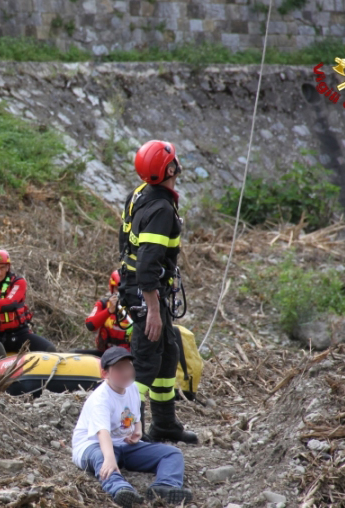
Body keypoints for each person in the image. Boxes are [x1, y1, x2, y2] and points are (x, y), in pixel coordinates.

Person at [118, 140, 197, 444]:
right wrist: (152, 308)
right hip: (145, 290)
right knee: (147, 359)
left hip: (143, 287)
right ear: (170, 170)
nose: (178, 162)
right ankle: (130, 433)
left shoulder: (140, 193)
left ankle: (164, 425)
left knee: (168, 353)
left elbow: (126, 243)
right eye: (174, 160)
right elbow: (147, 264)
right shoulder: (161, 209)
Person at [71, 347, 194, 507]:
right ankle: (120, 488)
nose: (126, 373)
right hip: (93, 445)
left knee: (172, 453)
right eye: (119, 369)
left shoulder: (132, 388)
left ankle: (165, 486)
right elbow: (102, 433)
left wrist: (137, 431)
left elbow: (135, 417)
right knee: (101, 458)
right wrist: (109, 459)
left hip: (124, 445)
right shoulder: (101, 399)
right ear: (104, 373)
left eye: (128, 367)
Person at [0, 249, 57, 353]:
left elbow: (10, 303)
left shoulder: (18, 282)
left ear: (7, 268)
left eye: (2, 268)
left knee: (49, 349)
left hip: (19, 334)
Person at [74, 270, 133, 356]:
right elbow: (90, 325)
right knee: (73, 353)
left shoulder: (136, 308)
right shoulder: (103, 304)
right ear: (112, 288)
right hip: (105, 354)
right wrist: (108, 311)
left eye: (123, 290)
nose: (120, 293)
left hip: (128, 355)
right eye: (117, 289)